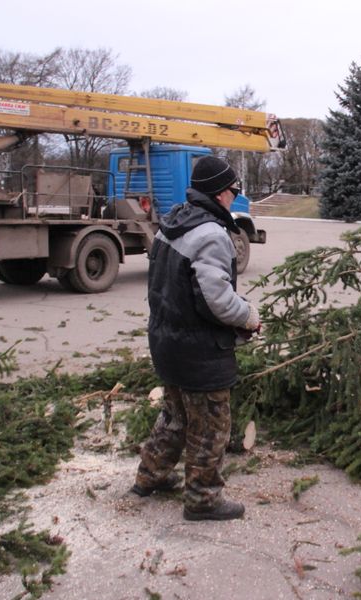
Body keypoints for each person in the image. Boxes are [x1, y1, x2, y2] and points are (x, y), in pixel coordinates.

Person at [132, 155, 260, 521]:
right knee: (211, 426)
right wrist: (249, 316)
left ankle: (149, 477)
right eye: (234, 191)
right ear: (221, 192)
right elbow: (215, 300)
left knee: (174, 417)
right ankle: (203, 499)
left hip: (166, 341)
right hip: (198, 350)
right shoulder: (212, 235)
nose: (234, 197)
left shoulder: (172, 222)